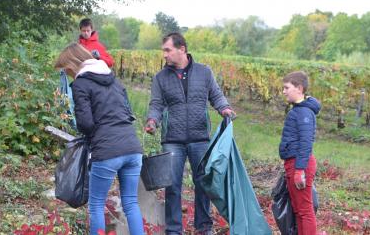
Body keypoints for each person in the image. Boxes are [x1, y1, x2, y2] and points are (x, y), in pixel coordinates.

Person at [145, 32, 236, 235]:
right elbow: (156, 104)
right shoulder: (161, 77)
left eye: (167, 50)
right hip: (172, 140)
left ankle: (203, 227)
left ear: (182, 49)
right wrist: (152, 120)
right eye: (164, 51)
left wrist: (225, 109)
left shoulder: (204, 72)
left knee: (203, 184)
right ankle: (174, 230)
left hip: (200, 137)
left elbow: (216, 95)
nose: (164, 55)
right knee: (173, 186)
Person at [54, 43, 143, 235]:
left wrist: (91, 132)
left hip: (107, 150)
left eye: (67, 70)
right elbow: (127, 111)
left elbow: (85, 123)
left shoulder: (80, 84)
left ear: (73, 64)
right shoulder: (114, 80)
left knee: (96, 205)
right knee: (131, 203)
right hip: (133, 148)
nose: (68, 75)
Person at [279, 71, 321, 235]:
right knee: (299, 210)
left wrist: (299, 170)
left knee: (304, 211)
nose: (284, 91)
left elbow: (306, 143)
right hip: (294, 162)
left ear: (299, 88)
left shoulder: (303, 113)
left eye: (286, 87)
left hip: (299, 163)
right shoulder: (298, 110)